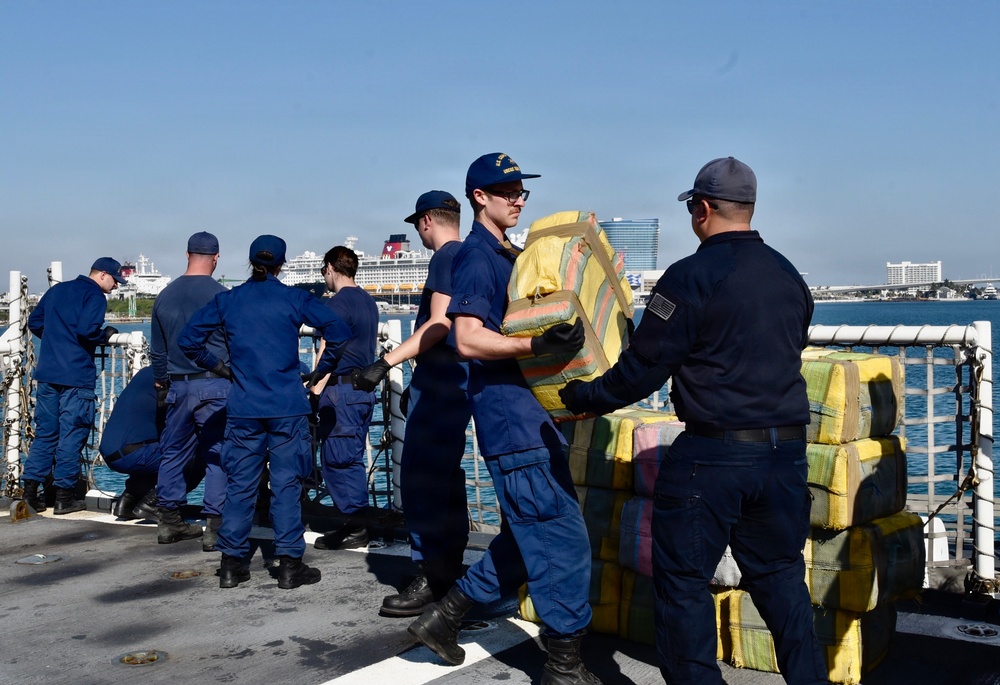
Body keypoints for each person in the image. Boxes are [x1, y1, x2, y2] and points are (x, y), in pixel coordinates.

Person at [559, 157, 827, 685]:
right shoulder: (788, 275)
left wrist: (582, 396)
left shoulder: (688, 277)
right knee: (781, 581)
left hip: (713, 455)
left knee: (683, 585)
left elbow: (643, 368)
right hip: (786, 455)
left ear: (702, 209)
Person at [407, 153, 600, 685]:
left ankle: (444, 618)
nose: (517, 199)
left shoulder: (510, 255)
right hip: (511, 420)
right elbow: (467, 338)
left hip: (530, 416)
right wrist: (537, 344)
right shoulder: (475, 257)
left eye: (521, 191)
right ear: (479, 197)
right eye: (506, 191)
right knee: (562, 540)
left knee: (526, 535)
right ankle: (563, 665)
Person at [179, 235, 351, 590]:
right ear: (281, 265)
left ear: (250, 261)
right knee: (286, 484)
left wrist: (221, 367)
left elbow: (188, 341)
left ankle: (231, 565)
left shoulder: (228, 300)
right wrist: (322, 369)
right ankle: (289, 565)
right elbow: (339, 331)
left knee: (240, 484)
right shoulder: (294, 298)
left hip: (244, 407)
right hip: (287, 406)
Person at [355, 190, 472, 616]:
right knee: (448, 479)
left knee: (421, 479)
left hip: (438, 383)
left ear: (426, 222)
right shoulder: (474, 255)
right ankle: (449, 568)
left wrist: (383, 363)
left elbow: (439, 323)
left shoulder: (445, 257)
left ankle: (431, 575)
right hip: (459, 380)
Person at [21, 257, 124, 514]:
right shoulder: (95, 296)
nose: (115, 286)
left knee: (46, 433)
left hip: (48, 373)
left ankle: (30, 494)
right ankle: (63, 497)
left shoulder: (57, 290)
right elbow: (88, 330)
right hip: (76, 375)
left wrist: (56, 338)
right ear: (102, 274)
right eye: (114, 280)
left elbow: (35, 322)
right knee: (72, 433)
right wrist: (105, 335)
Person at [150, 231, 229, 548]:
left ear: (186, 255)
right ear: (216, 258)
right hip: (215, 383)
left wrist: (161, 381)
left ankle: (169, 521)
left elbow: (158, 351)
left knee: (173, 452)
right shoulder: (222, 295)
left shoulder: (165, 295)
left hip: (178, 385)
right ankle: (214, 527)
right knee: (218, 454)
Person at [310, 246, 379, 551]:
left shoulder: (336, 304)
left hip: (341, 391)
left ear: (330, 267)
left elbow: (328, 347)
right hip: (363, 390)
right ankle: (356, 522)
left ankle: (355, 527)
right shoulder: (367, 301)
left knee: (338, 460)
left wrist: (314, 389)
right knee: (352, 457)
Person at [99, 366, 208, 520]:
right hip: (134, 454)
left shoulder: (146, 373)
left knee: (158, 453)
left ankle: (128, 502)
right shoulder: (174, 379)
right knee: (198, 457)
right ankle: (154, 503)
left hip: (111, 451)